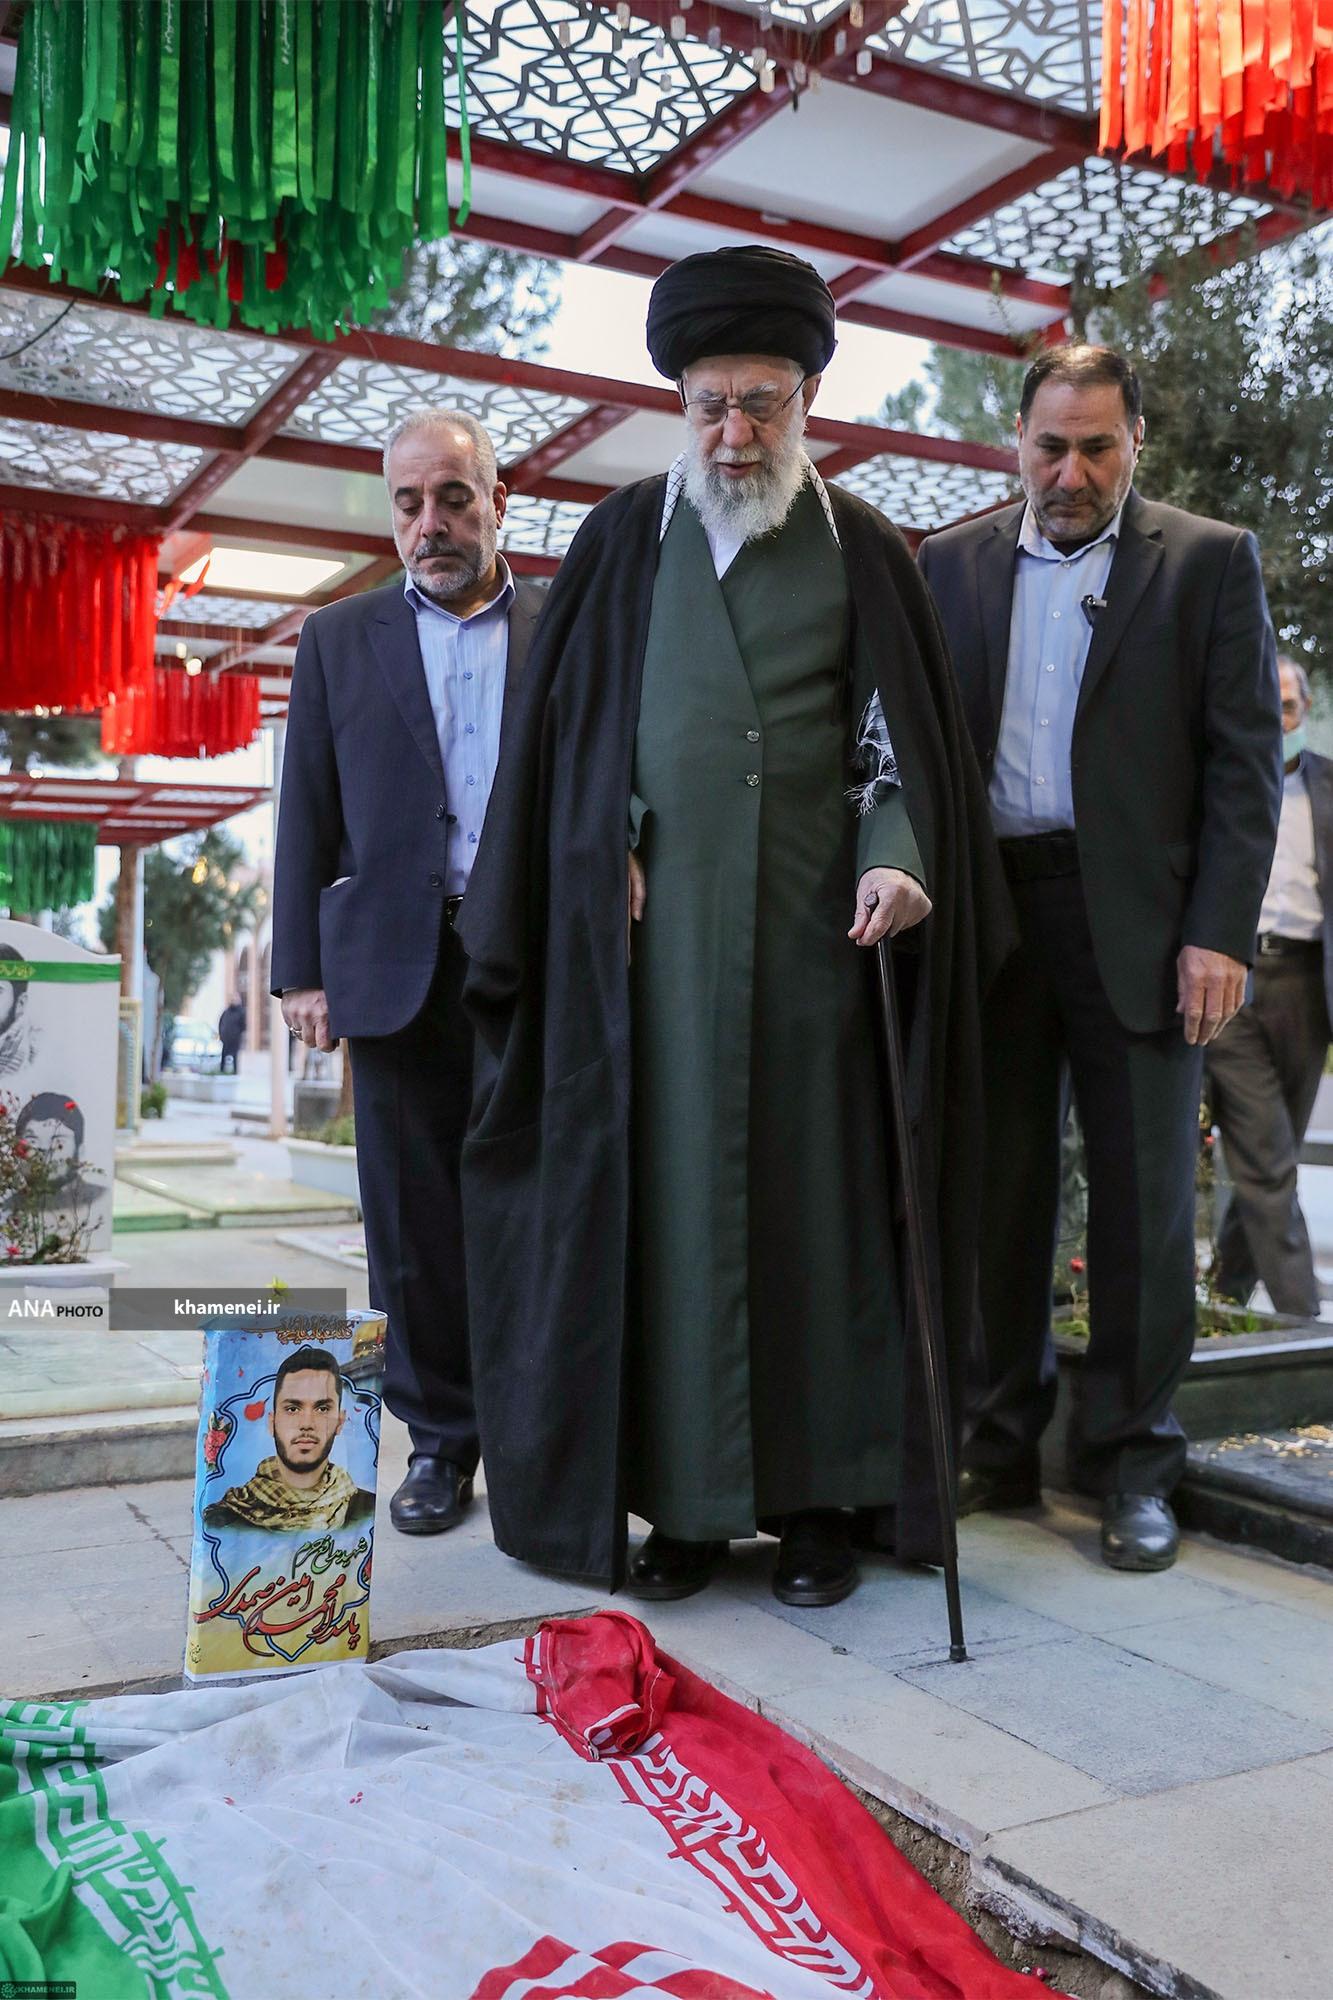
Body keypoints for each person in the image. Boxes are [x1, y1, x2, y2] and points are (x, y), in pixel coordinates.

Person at [458, 245, 1011, 1602]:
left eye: (762, 403)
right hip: (652, 966)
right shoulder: (618, 541)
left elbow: (900, 746)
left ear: (806, 400)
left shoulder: (865, 548)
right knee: (668, 1220)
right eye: (711, 403)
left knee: (820, 1223)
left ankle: (818, 1506)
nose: (735, 433)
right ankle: (687, 1508)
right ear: (680, 402)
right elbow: (567, 742)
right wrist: (605, 838)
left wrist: (898, 858)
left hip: (822, 952)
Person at [919, 342, 1281, 1572]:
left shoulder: (1208, 561)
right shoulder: (949, 564)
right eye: (1049, 446)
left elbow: (1243, 765)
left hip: (1144, 925)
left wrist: (1218, 930)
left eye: (1095, 447)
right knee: (997, 1197)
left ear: (1134, 446)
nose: (1070, 472)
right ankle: (997, 1441)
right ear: (1013, 443)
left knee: (1141, 1205)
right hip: (993, 919)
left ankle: (1131, 1463)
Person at [271, 408, 545, 1537]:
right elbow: (306, 808)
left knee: (534, 1205)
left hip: (533, 958)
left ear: (497, 501)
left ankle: (536, 1435)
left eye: (452, 498)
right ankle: (438, 1440)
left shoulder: (564, 622)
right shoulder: (339, 638)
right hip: (391, 964)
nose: (429, 523)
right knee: (409, 1218)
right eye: (408, 503)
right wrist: (299, 972)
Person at [1206, 659, 1333, 1318]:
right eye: (1265, 704)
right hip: (1229, 979)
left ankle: (1223, 1296)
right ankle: (1305, 1326)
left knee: (1269, 1157)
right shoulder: (1215, 779)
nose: (1276, 719)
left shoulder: (1327, 785)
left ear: (1303, 711)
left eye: (1286, 706)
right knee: (1265, 1154)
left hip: (1306, 987)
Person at [203, 1346, 375, 1532]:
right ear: (272, 1422)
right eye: (292, 1409)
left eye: (322, 1409)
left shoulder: (365, 1510)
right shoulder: (225, 1518)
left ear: (340, 1422)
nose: (306, 1424)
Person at [217, 996, 246, 1074]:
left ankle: (235, 1071)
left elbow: (243, 1025)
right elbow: (221, 1023)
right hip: (226, 1038)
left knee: (235, 1056)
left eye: (235, 1000)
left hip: (235, 1039)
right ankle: (222, 1071)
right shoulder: (226, 1012)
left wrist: (237, 1033)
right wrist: (221, 1034)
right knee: (224, 1055)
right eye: (232, 999)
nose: (233, 1001)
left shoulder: (241, 1012)